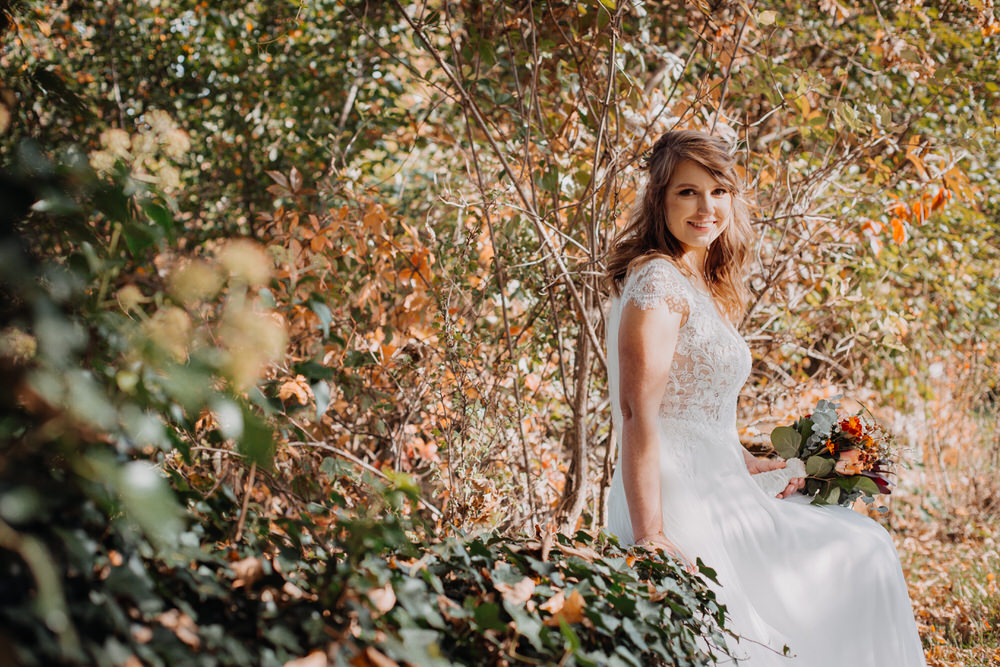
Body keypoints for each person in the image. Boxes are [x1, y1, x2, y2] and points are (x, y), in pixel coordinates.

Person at [604, 130, 926, 665]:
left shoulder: (693, 277)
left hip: (720, 480)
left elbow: (698, 413)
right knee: (862, 552)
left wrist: (758, 463)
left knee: (864, 543)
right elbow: (639, 411)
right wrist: (651, 535)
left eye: (719, 191)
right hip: (678, 494)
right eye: (687, 192)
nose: (706, 207)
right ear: (659, 199)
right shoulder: (657, 279)